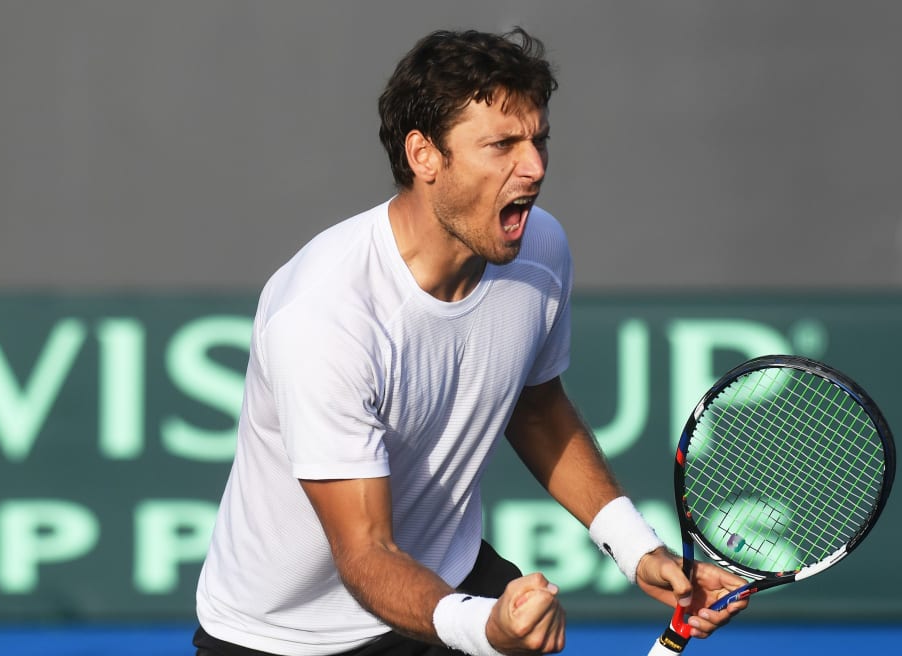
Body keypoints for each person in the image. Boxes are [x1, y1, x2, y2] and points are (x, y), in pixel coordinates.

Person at [193, 27, 748, 656]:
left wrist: (636, 547)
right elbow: (366, 551)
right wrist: (484, 629)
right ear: (425, 156)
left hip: (448, 576)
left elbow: (535, 408)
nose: (534, 167)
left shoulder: (539, 249)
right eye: (502, 145)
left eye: (539, 140)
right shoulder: (324, 317)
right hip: (286, 636)